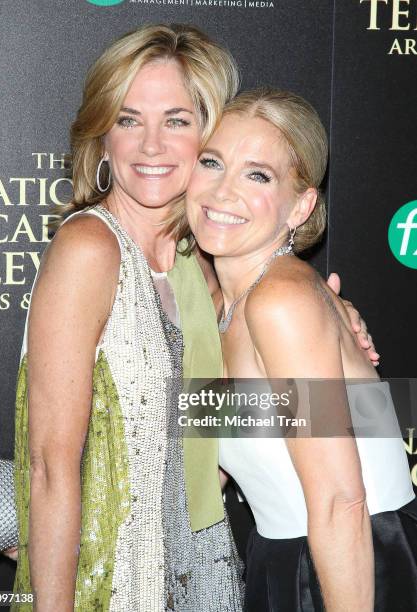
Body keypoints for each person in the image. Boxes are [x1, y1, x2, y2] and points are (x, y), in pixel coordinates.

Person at [9, 23, 377, 610]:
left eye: (176, 121)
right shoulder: (90, 250)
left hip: (207, 568)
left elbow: (233, 430)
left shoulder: (206, 264)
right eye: (128, 119)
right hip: (118, 575)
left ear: (209, 134)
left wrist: (333, 324)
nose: (149, 145)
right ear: (102, 137)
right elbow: (52, 469)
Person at [185, 88, 417, 611]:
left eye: (258, 175)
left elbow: (340, 500)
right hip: (284, 560)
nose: (223, 191)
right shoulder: (222, 305)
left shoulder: (281, 301)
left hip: (351, 565)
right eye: (212, 162)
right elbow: (210, 469)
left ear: (302, 205)